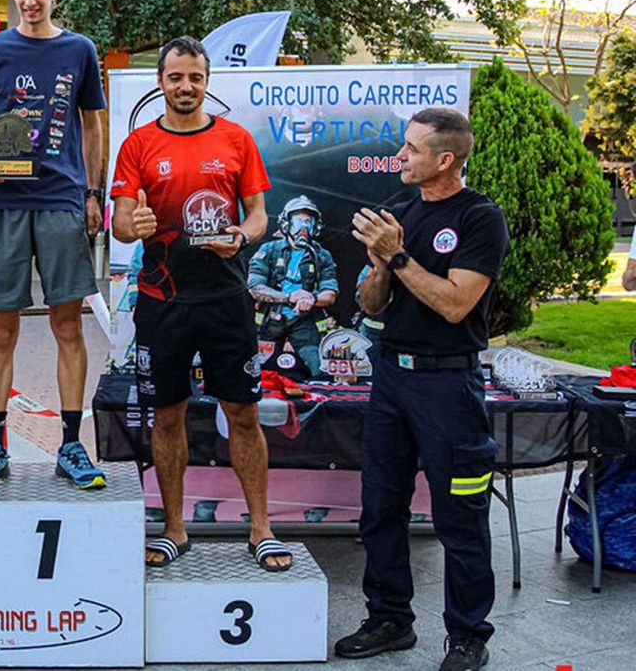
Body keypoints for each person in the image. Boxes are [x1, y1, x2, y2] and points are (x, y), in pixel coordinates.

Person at [110, 36, 291, 571]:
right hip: (162, 300)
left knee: (243, 412)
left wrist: (242, 236)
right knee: (166, 417)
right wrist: (133, 223)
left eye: (195, 77)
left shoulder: (236, 139)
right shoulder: (139, 144)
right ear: (161, 83)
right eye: (175, 78)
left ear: (208, 82)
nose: (185, 87)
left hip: (226, 300)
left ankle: (261, 528)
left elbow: (259, 213)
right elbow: (122, 221)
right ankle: (174, 528)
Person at [339, 108, 509, 671]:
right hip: (392, 377)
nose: (400, 156)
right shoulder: (401, 212)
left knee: (459, 517)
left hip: (448, 385)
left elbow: (457, 304)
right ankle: (390, 618)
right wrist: (380, 267)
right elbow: (370, 305)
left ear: (444, 159)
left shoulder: (481, 218)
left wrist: (398, 256)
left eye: (411, 149)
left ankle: (467, 636)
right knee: (380, 508)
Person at [0, 0, 108, 490]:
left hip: (63, 201)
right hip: (4, 205)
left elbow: (92, 125)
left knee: (69, 325)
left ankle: (71, 446)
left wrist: (94, 193)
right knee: (2, 330)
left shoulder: (80, 50)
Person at [248, 195, 339, 377]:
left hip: (303, 321)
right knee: (252, 371)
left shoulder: (322, 255)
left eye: (309, 223)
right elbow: (254, 287)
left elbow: (330, 294)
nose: (304, 228)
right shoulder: (269, 250)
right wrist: (289, 297)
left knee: (320, 369)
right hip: (268, 322)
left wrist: (311, 298)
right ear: (286, 223)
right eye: (298, 222)